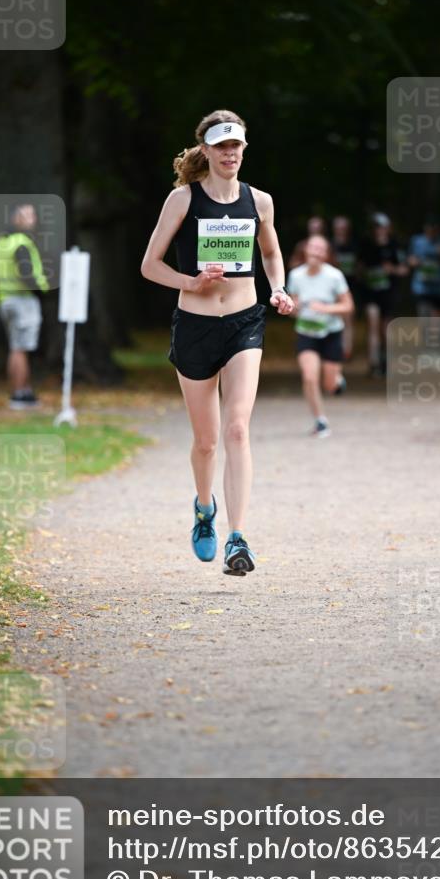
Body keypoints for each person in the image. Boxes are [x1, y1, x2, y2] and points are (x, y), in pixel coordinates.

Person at [141, 109, 294, 577]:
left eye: (236, 146)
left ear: (244, 149)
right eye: (222, 146)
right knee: (206, 442)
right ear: (206, 150)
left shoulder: (259, 201)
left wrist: (278, 288)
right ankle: (204, 508)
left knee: (237, 430)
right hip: (195, 325)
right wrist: (191, 282)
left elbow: (271, 252)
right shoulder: (183, 200)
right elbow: (150, 265)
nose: (230, 153)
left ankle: (237, 537)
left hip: (245, 323)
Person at [286, 234, 354, 438]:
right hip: (306, 332)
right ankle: (320, 421)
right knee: (309, 376)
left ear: (326, 254)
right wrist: (293, 307)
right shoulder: (295, 275)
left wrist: (326, 308)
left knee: (330, 386)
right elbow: (293, 309)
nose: (315, 252)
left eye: (320, 249)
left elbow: (348, 306)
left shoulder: (334, 276)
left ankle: (337, 381)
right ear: (305, 250)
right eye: (312, 247)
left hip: (331, 333)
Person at [0, 203, 50, 410]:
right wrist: (41, 288)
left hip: (5, 299)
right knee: (20, 349)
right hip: (22, 300)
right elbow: (26, 273)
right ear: (16, 219)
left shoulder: (2, 242)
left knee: (15, 348)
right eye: (27, 215)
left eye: (33, 215)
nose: (32, 219)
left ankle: (22, 390)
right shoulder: (21, 243)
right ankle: (20, 394)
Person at [357, 213, 408, 376]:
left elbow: (404, 269)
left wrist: (392, 269)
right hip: (370, 292)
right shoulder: (366, 245)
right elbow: (359, 268)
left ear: (388, 228)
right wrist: (364, 273)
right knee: (372, 325)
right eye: (376, 227)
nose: (379, 230)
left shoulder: (394, 246)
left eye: (382, 227)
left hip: (388, 293)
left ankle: (386, 361)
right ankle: (373, 364)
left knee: (385, 329)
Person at [407, 215, 440, 318]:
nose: (432, 231)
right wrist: (416, 262)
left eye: (434, 229)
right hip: (422, 288)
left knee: (439, 321)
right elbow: (409, 260)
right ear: (425, 228)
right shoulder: (416, 241)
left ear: (439, 229)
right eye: (429, 228)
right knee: (424, 317)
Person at [330, 215, 360, 365]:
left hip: (350, 286)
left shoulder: (354, 246)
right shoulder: (329, 245)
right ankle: (333, 349)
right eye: (338, 227)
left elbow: (360, 266)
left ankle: (346, 352)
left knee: (348, 320)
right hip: (331, 289)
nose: (341, 230)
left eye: (344, 227)